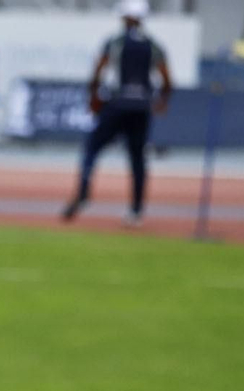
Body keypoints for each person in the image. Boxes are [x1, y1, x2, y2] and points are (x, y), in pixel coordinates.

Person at [62, 0, 173, 227]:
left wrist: (93, 98)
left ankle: (83, 193)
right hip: (141, 108)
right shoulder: (153, 45)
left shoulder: (115, 42)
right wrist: (161, 101)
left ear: (124, 18)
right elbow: (167, 81)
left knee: (92, 148)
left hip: (116, 104)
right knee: (137, 159)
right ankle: (136, 210)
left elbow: (98, 72)